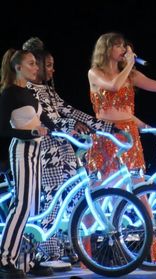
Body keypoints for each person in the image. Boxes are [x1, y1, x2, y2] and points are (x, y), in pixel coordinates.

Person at [86, 32, 156, 263]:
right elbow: (114, 86)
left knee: (140, 189)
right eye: (118, 46)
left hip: (129, 136)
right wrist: (128, 67)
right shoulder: (95, 73)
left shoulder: (132, 74)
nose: (123, 49)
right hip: (106, 136)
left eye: (125, 46)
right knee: (98, 193)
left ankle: (152, 252)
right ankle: (82, 248)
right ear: (107, 49)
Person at [22, 37, 119, 267]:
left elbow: (70, 111)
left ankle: (68, 247)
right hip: (46, 151)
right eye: (48, 65)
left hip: (64, 148)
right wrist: (70, 127)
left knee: (75, 198)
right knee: (52, 203)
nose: (52, 69)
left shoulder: (48, 91)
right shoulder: (27, 90)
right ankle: (47, 254)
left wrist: (107, 127)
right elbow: (46, 120)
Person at [0, 49, 57, 278]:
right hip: (22, 150)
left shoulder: (31, 93)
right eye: (31, 63)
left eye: (36, 64)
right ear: (18, 67)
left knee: (33, 208)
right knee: (22, 205)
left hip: (37, 151)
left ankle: (27, 259)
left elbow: (47, 121)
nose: (36, 67)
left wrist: (74, 129)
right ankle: (5, 259)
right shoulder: (9, 94)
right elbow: (3, 129)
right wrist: (31, 131)